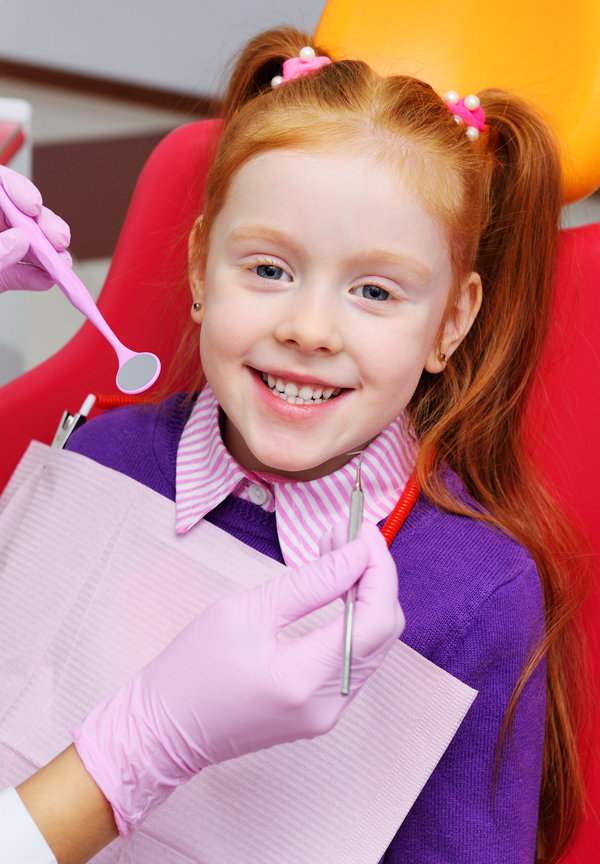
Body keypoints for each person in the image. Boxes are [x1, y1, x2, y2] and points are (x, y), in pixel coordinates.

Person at [0, 23, 592, 864]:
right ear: (201, 267)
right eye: (269, 270)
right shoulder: (102, 459)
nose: (310, 329)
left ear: (450, 323)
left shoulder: (474, 595)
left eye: (375, 291)